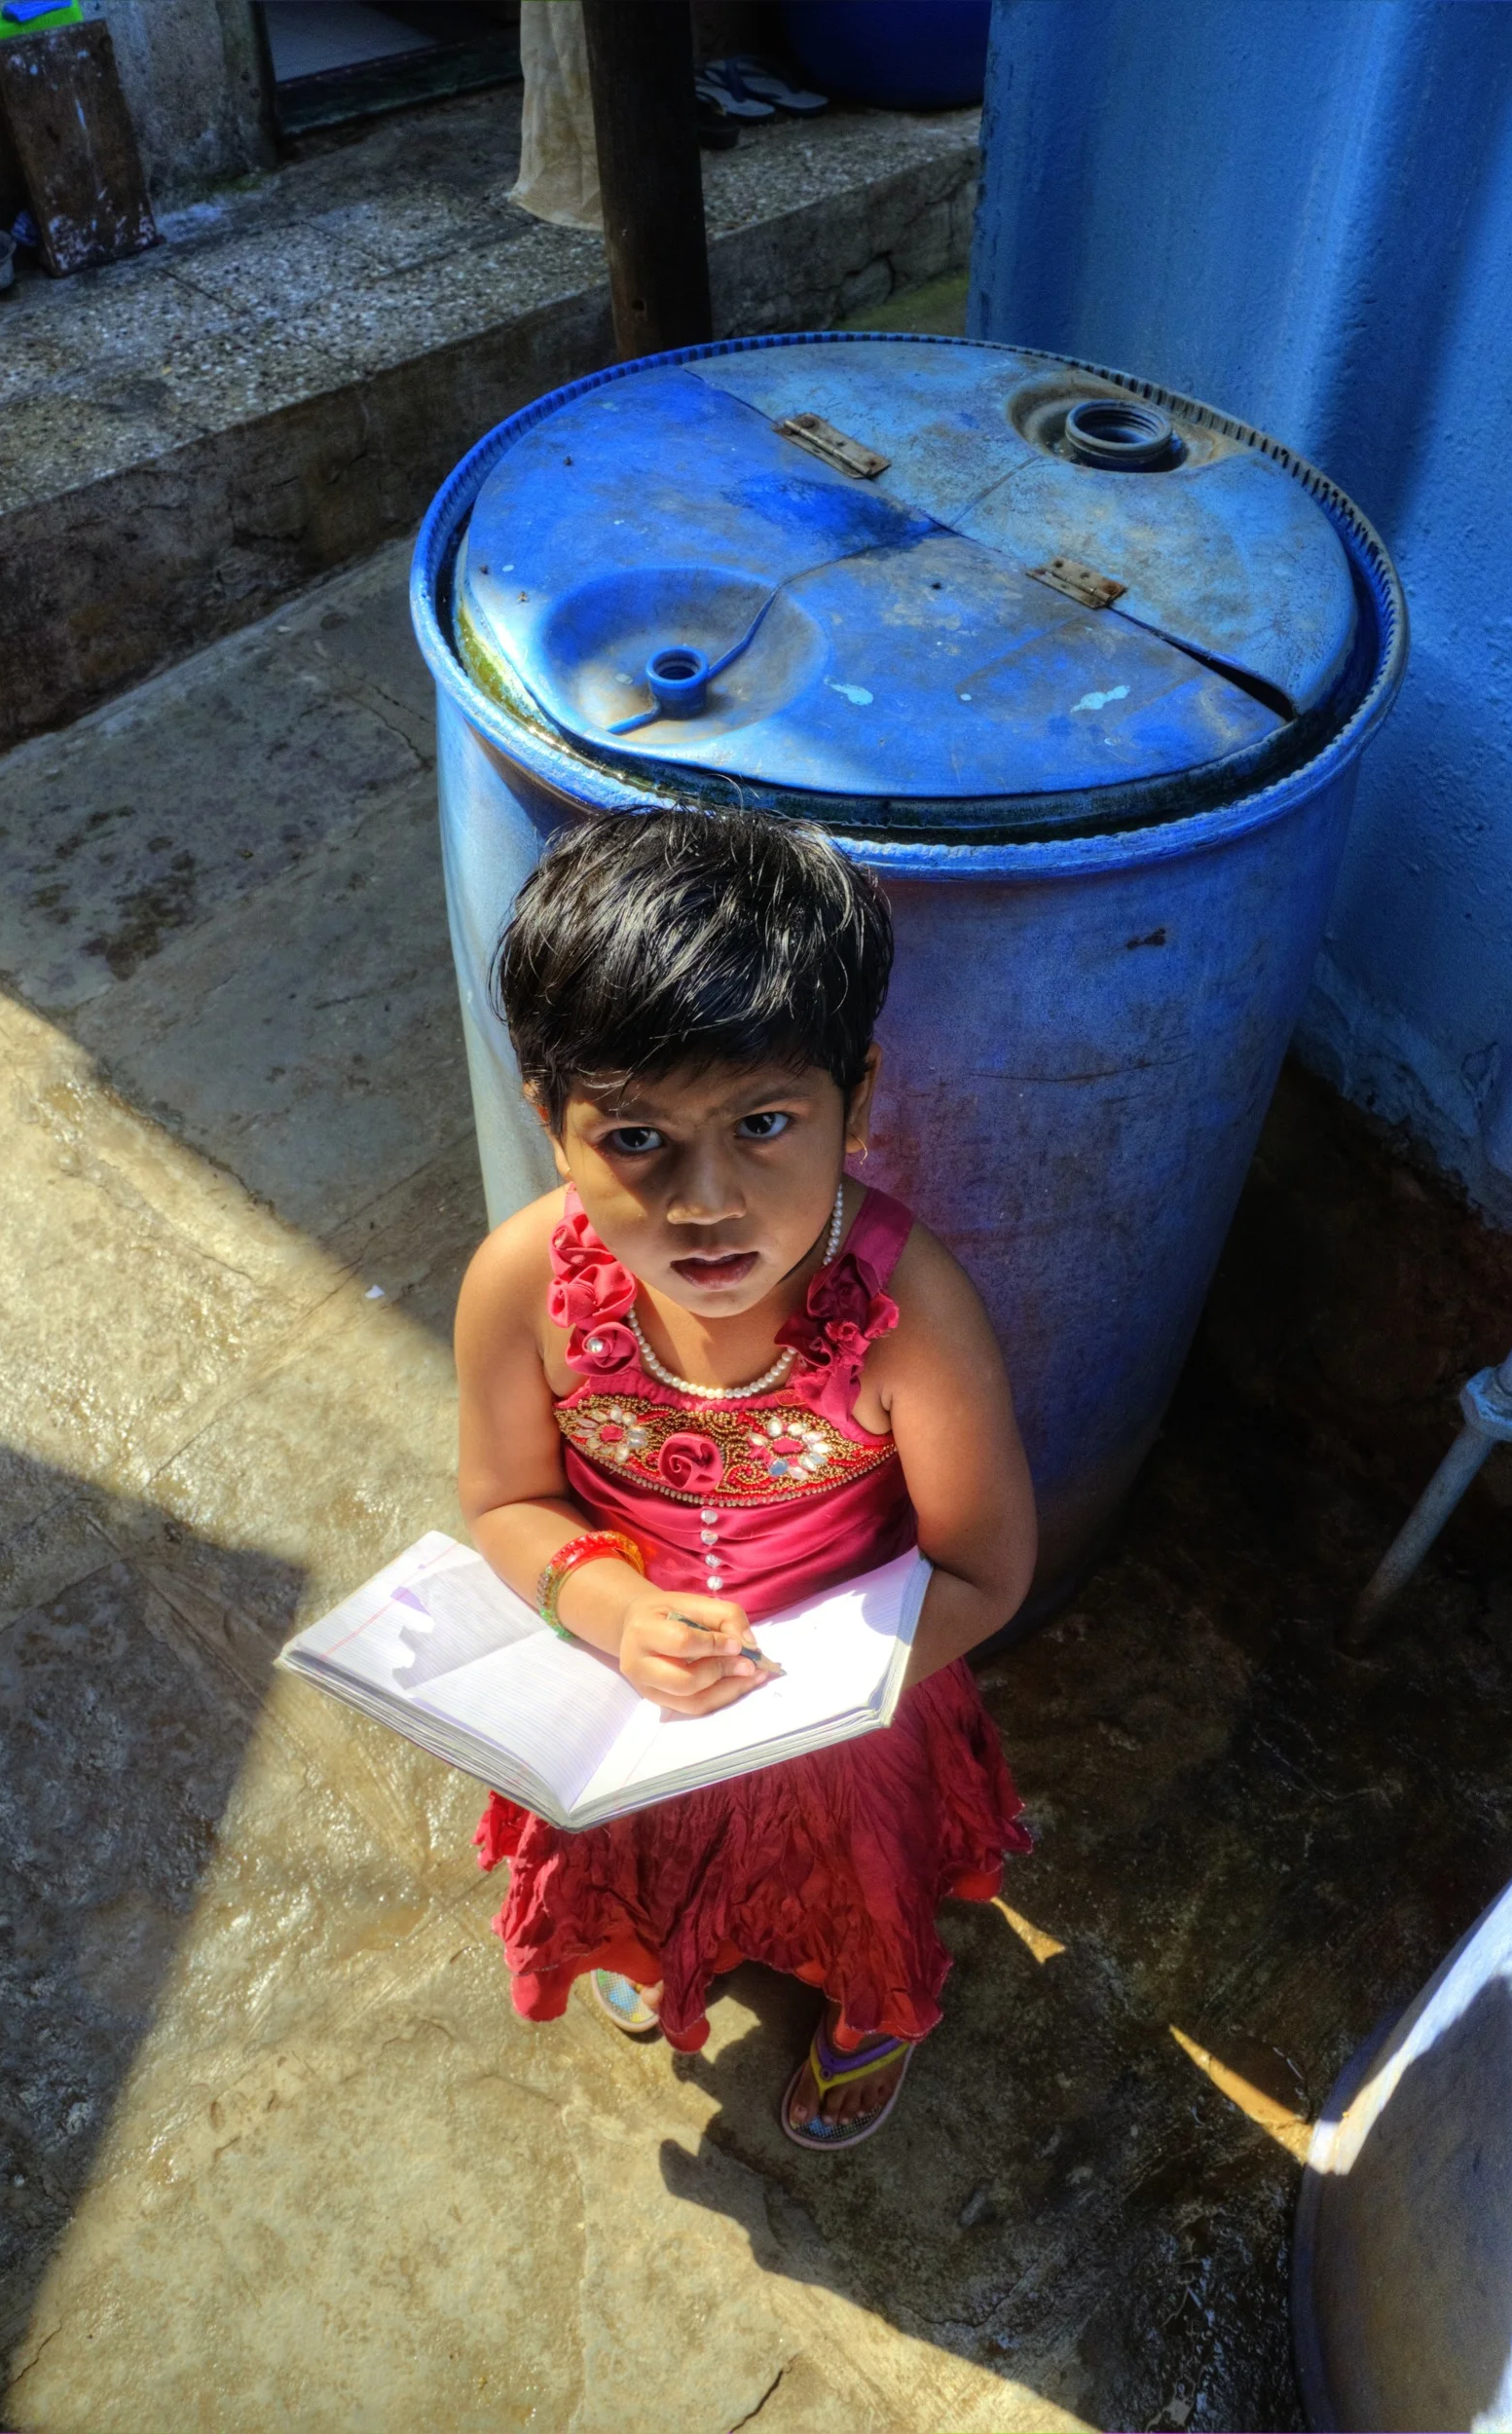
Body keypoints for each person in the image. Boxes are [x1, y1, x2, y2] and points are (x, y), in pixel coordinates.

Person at [455, 807, 1038, 2150]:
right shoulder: (519, 1289)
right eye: (635, 1139)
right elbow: (503, 1500)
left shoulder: (912, 1316)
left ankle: (868, 2013)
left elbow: (980, 1568)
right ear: (551, 1121)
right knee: (631, 1867)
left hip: (849, 1708)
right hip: (629, 1695)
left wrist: (807, 1697)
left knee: (859, 1897)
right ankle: (659, 1943)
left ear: (860, 1102)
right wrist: (607, 1615)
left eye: (764, 1122)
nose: (704, 1198)